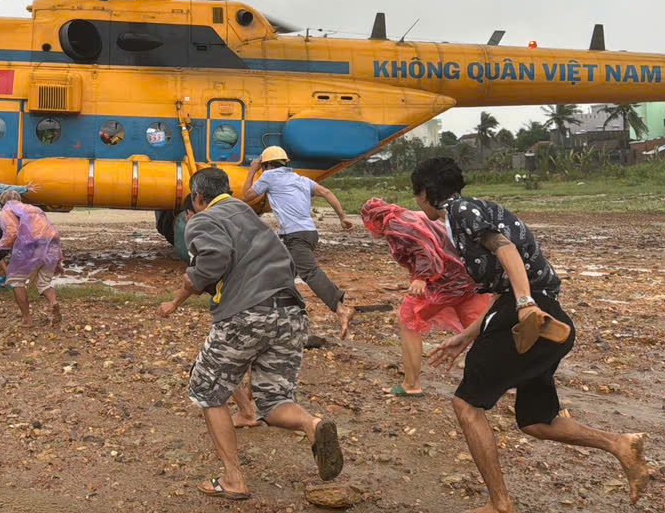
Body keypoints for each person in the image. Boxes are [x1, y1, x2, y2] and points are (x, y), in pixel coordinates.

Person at [413, 157, 650, 511]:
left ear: (426, 193)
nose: (416, 202)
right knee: (537, 420)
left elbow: (506, 250)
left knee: (466, 404)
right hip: (540, 313)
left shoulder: (460, 210)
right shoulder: (472, 210)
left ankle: (500, 504)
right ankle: (619, 444)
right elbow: (503, 287)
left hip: (529, 314)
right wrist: (467, 335)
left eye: (416, 194)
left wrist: (525, 304)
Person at [158, 167, 344, 500]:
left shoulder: (203, 218)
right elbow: (285, 262)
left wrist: (187, 287)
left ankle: (233, 480)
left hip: (247, 314)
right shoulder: (250, 216)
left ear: (198, 198)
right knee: (274, 403)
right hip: (291, 314)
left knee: (209, 391)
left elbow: (211, 260)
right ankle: (312, 425)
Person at [360, 197, 491, 397]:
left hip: (444, 283)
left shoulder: (395, 225)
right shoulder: (412, 216)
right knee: (481, 328)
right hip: (468, 278)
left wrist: (421, 278)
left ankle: (411, 384)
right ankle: (510, 375)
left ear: (374, 219)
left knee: (409, 320)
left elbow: (424, 249)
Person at [242, 145, 356, 339]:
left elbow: (247, 195)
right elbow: (327, 192)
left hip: (295, 236)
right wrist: (342, 217)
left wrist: (252, 169)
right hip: (307, 233)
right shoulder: (301, 179)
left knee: (309, 272)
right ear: (286, 163)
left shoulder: (269, 176)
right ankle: (276, 316)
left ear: (266, 165)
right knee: (275, 271)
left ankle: (340, 308)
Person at [0, 190, 62, 327]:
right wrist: (58, 259)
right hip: (51, 242)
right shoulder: (34, 209)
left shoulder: (8, 209)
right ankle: (53, 302)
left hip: (30, 246)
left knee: (16, 281)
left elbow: (12, 232)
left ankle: (27, 319)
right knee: (44, 284)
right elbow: (49, 230)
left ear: (2, 202)